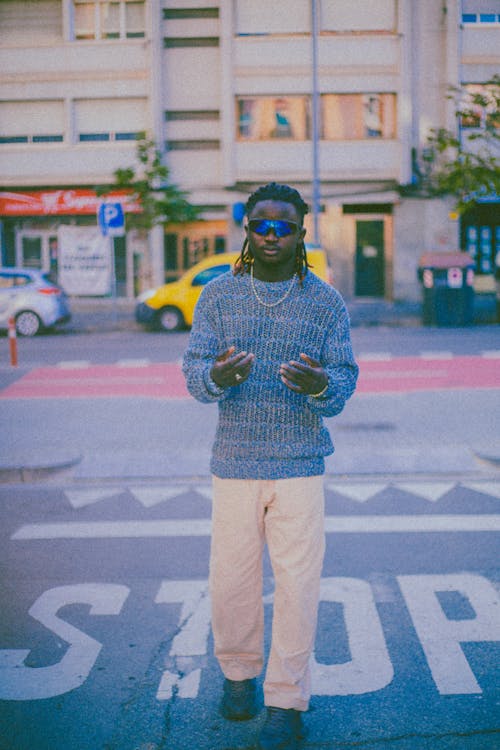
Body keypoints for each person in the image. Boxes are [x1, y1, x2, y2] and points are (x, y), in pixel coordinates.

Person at [182, 182, 358, 750]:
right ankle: (238, 677)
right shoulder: (217, 296)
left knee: (298, 585)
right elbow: (194, 371)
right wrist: (218, 378)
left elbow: (345, 378)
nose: (272, 235)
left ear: (302, 231)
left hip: (301, 464)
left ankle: (286, 700)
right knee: (230, 579)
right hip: (234, 461)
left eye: (284, 226)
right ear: (247, 230)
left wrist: (321, 386)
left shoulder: (326, 302)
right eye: (262, 224)